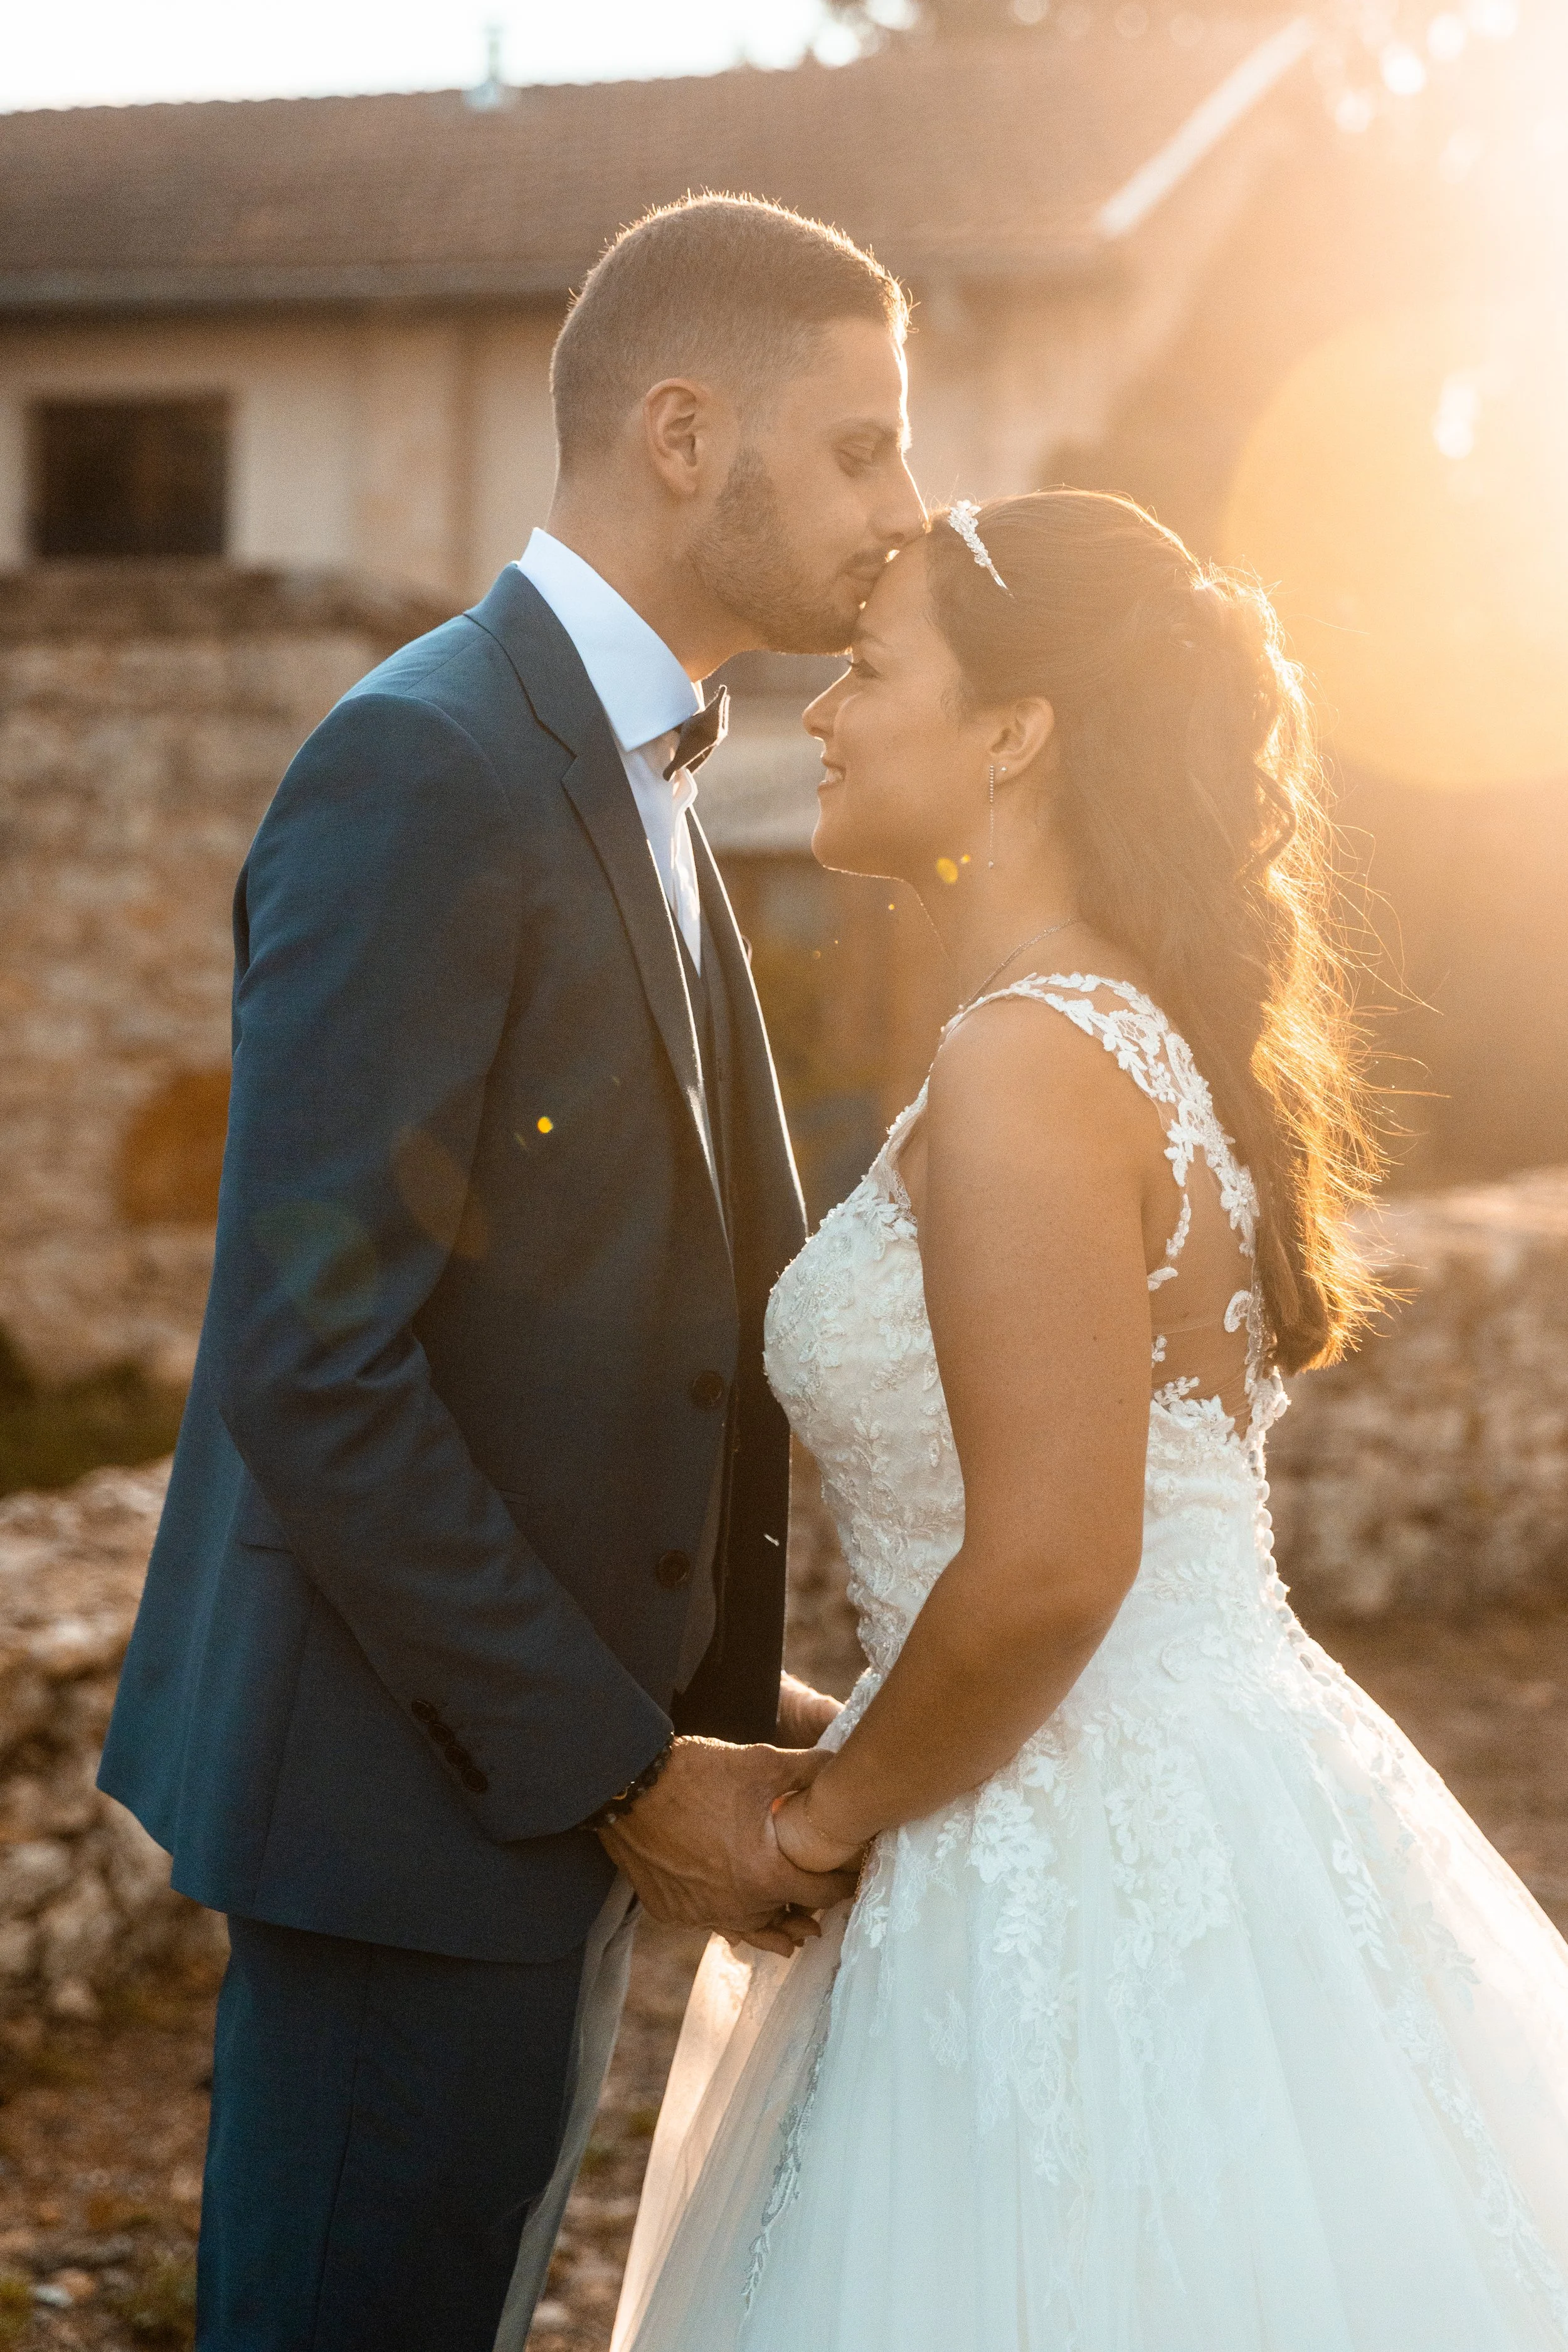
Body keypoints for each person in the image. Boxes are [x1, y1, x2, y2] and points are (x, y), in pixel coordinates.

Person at [97, 193, 925, 2352]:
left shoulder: (644, 774)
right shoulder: (428, 765)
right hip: (400, 1816)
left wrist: (724, 1703)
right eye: (861, 448)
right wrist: (629, 1767)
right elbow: (314, 1360)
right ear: (683, 434)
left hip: (521, 1794)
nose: (903, 513)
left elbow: (602, 1332)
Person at [611, 492, 1568, 2351]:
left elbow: (1053, 1563)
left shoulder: (1030, 1061)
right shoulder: (1104, 1035)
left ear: (1015, 731)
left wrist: (812, 1825)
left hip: (1064, 1828)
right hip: (1178, 1769)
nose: (824, 714)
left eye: (869, 670)